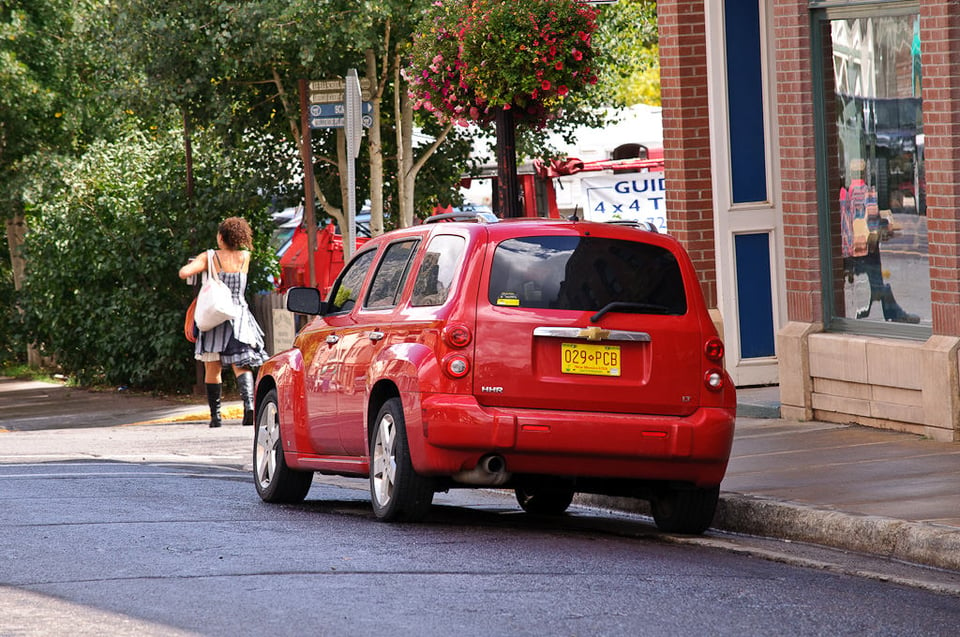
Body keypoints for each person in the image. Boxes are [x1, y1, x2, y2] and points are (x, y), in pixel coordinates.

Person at [179, 217, 268, 427]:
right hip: (239, 316)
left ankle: (215, 417)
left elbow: (184, 273)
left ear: (220, 237)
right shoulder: (245, 256)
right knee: (242, 364)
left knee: (213, 367)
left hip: (214, 316)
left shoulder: (210, 257)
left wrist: (198, 265)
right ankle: (249, 406)